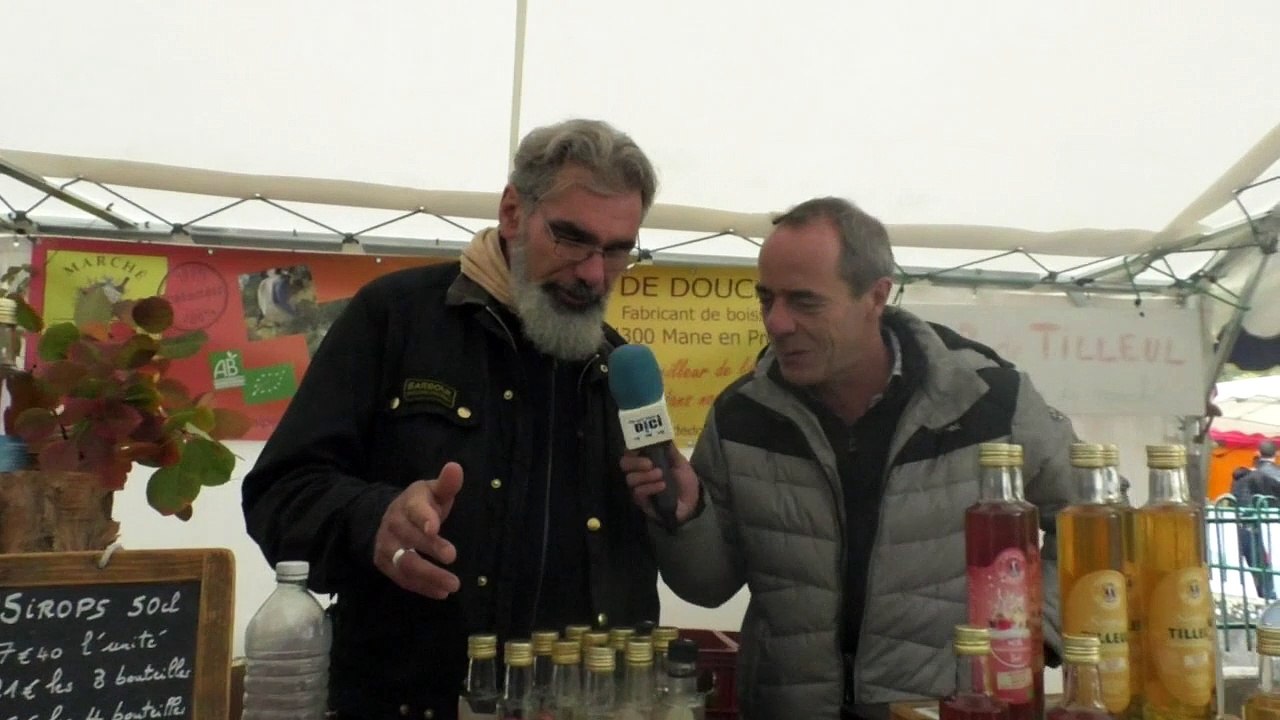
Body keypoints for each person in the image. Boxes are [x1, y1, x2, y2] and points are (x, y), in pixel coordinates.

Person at [242, 118, 662, 720]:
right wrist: (374, 519)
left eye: (618, 250)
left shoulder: (618, 371)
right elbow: (278, 495)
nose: (595, 274)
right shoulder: (396, 317)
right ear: (514, 213)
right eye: (571, 239)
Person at [622, 197, 1076, 719]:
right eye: (766, 298)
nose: (778, 322)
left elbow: (1094, 520)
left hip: (946, 710)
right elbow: (707, 588)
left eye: (805, 302)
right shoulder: (741, 414)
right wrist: (688, 516)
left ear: (876, 296)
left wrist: (1035, 631)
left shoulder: (986, 401)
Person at [1231, 464, 1276, 599]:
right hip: (1253, 525)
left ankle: (1265, 595)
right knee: (1262, 564)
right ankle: (1270, 598)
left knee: (1256, 564)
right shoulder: (1255, 477)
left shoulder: (1236, 483)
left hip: (1242, 527)